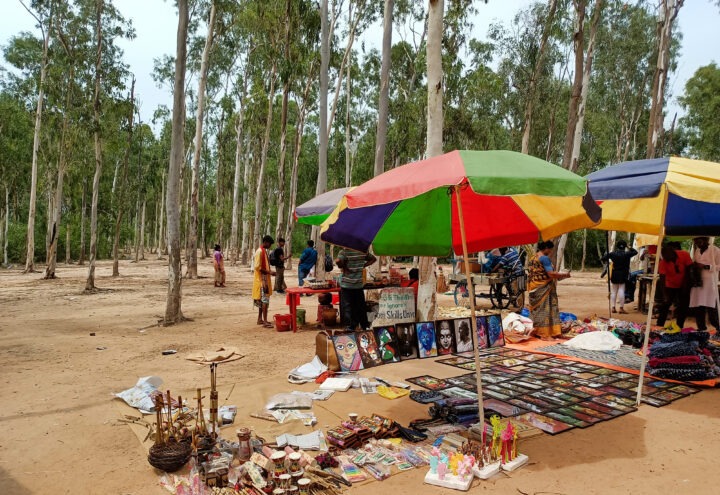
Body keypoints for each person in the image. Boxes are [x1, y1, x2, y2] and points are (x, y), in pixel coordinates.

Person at [527, 241, 570, 341]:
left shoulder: (533, 258)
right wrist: (564, 275)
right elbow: (550, 274)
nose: (551, 251)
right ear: (546, 248)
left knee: (538, 311)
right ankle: (545, 334)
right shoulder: (544, 258)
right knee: (545, 311)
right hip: (543, 288)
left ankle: (539, 331)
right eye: (550, 249)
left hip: (534, 287)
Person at [336, 247, 377, 330]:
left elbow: (338, 263)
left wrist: (340, 263)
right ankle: (364, 326)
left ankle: (349, 327)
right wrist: (363, 265)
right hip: (358, 285)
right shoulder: (362, 251)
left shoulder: (344, 252)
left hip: (346, 285)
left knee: (348, 307)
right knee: (361, 307)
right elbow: (373, 259)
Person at [657, 244, 692, 327]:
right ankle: (659, 325)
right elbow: (662, 279)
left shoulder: (684, 254)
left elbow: (689, 270)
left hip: (684, 284)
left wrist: (685, 285)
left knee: (683, 306)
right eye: (664, 257)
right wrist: (665, 294)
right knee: (665, 305)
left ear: (673, 254)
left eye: (667, 258)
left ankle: (680, 326)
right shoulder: (663, 262)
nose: (666, 259)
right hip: (670, 285)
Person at [689, 237, 720, 331]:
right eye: (696, 241)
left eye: (699, 241)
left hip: (710, 283)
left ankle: (718, 328)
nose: (698, 243)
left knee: (711, 307)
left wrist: (706, 266)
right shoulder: (697, 251)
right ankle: (701, 329)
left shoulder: (716, 250)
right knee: (699, 306)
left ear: (706, 240)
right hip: (698, 282)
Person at [601, 240, 638, 314]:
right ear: (624, 247)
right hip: (623, 274)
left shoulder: (613, 254)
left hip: (615, 273)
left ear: (617, 246)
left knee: (614, 291)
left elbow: (603, 258)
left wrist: (608, 262)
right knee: (621, 290)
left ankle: (613, 308)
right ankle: (621, 308)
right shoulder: (627, 254)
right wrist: (629, 247)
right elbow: (635, 252)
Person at [253, 235, 275, 328]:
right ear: (265, 242)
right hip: (262, 280)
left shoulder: (263, 251)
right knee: (265, 301)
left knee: (263, 301)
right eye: (269, 244)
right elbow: (258, 267)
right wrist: (270, 272)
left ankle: (260, 319)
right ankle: (265, 320)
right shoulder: (260, 252)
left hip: (264, 279)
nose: (270, 246)